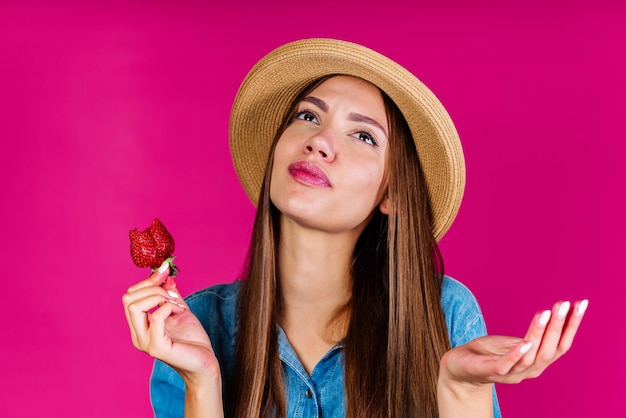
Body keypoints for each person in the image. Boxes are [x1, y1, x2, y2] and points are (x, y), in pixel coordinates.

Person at [122, 38, 588, 418]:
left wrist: (461, 391)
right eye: (308, 115)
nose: (319, 141)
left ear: (391, 195)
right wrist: (203, 379)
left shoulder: (444, 312)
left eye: (363, 135)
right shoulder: (195, 327)